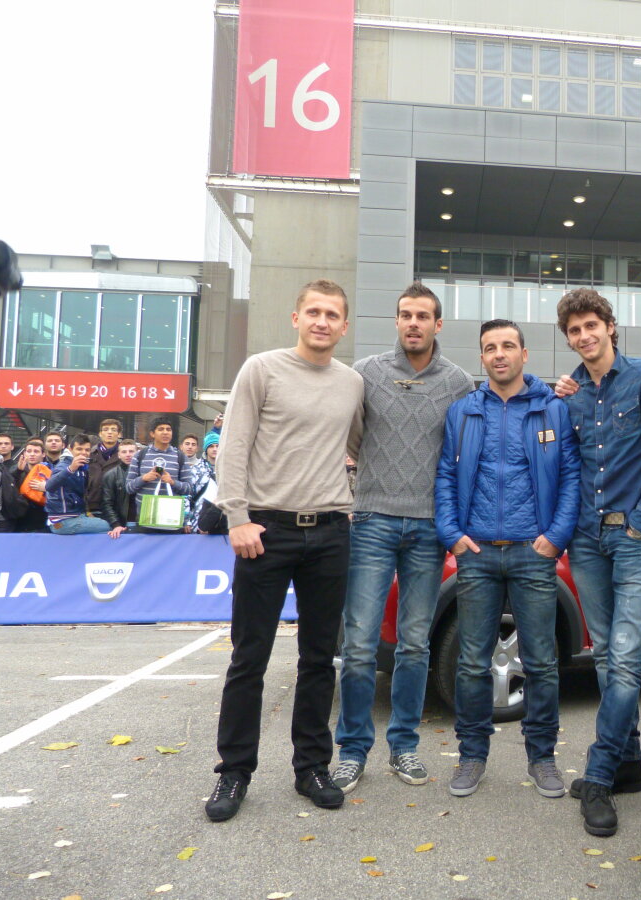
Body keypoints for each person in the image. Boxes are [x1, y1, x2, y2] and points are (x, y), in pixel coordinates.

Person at [205, 279, 363, 823]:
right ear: (296, 317)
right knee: (249, 658)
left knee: (320, 659)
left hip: (330, 534)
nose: (322, 321)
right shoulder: (262, 368)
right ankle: (233, 772)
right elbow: (234, 446)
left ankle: (312, 767)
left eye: (332, 314)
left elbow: (364, 445)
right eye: (313, 312)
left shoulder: (351, 384)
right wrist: (237, 518)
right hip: (264, 534)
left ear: (345, 326)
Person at [331, 282, 471, 795]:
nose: (413, 323)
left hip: (429, 528)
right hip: (371, 519)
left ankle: (405, 746)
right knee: (361, 643)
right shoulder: (365, 373)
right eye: (405, 315)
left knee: (414, 644)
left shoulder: (458, 382)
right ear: (396, 321)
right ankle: (350, 751)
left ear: (438, 325)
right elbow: (346, 437)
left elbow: (463, 454)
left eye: (423, 316)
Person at [434, 319, 580, 799]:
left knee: (542, 662)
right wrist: (453, 535)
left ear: (524, 354)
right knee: (472, 664)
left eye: (508, 346)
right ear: (482, 358)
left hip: (533, 555)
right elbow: (444, 478)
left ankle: (542, 758)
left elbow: (571, 478)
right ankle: (472, 756)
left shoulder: (553, 409)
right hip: (475, 555)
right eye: (490, 348)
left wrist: (554, 538)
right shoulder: (463, 412)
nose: (499, 354)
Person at [555, 288, 641, 837]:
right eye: (575, 330)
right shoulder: (571, 394)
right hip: (586, 541)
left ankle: (601, 775)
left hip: (633, 539)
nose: (585, 336)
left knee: (626, 656)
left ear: (611, 326)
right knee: (605, 654)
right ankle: (629, 764)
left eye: (592, 325)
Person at [126, 418, 194, 532]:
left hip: (171, 520)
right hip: (145, 520)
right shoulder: (140, 455)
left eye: (168, 429)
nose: (165, 432)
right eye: (161, 429)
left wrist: (172, 482)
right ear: (152, 433)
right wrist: (144, 478)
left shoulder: (180, 457)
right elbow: (128, 488)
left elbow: (189, 489)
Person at [45, 435, 112, 534]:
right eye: (79, 449)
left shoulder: (82, 467)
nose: (83, 453)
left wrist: (87, 513)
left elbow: (82, 496)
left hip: (76, 515)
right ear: (70, 449)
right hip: (62, 521)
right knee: (107, 526)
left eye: (87, 450)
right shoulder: (64, 465)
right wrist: (70, 469)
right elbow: (49, 486)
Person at [102, 439, 141, 538]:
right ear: (119, 455)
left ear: (137, 453)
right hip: (122, 524)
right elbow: (107, 503)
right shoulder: (111, 475)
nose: (128, 455)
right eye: (124, 452)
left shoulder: (146, 473)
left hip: (144, 524)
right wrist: (116, 524)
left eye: (131, 451)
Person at [85, 419, 124, 515]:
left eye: (113, 430)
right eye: (106, 429)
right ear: (100, 433)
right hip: (91, 506)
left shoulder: (125, 456)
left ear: (119, 434)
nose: (109, 432)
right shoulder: (89, 454)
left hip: (116, 507)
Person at [12, 438, 50, 532]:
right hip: (20, 520)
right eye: (29, 451)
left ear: (43, 454)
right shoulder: (17, 472)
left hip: (42, 519)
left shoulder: (50, 472)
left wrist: (47, 487)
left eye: (36, 451)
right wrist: (18, 472)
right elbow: (10, 492)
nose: (32, 454)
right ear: (24, 454)